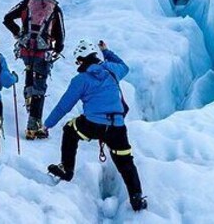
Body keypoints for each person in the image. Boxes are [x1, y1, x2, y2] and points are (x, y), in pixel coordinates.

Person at [44, 40, 147, 212]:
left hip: (93, 125)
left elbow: (64, 105)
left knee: (70, 130)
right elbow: (124, 66)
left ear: (81, 60)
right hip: (117, 127)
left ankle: (66, 170)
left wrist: (47, 124)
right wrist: (106, 52)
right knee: (125, 162)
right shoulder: (111, 70)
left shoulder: (81, 79)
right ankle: (136, 197)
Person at [3, 0, 66, 139]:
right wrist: (57, 49)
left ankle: (28, 97)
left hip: (25, 50)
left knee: (29, 70)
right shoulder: (54, 7)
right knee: (40, 85)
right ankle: (33, 126)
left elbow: (7, 18)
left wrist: (19, 34)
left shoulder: (28, 1)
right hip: (42, 52)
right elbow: (60, 34)